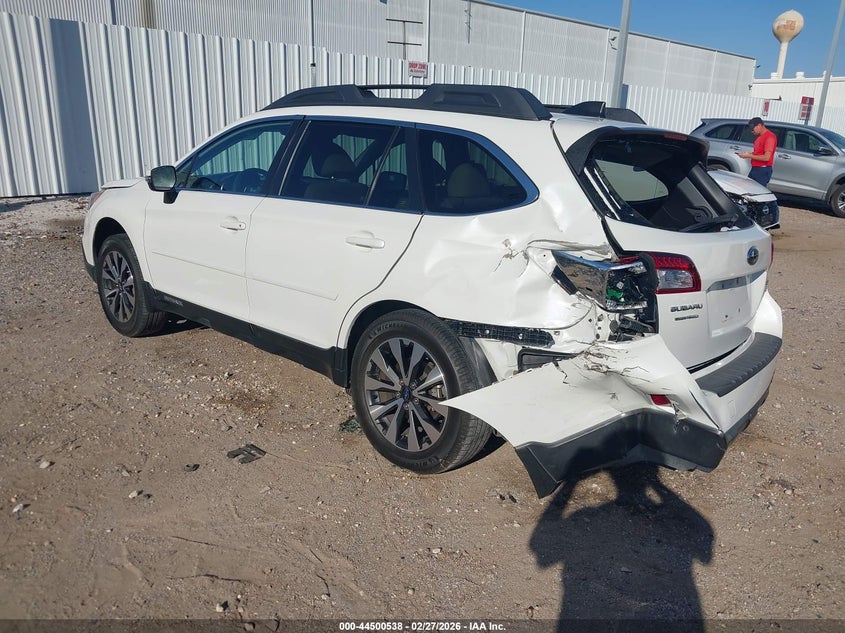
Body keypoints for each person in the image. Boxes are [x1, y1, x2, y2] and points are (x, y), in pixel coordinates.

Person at [737, 117, 777, 187]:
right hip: (755, 168)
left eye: (753, 129)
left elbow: (766, 157)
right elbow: (759, 153)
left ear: (759, 125)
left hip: (762, 170)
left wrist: (749, 156)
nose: (752, 131)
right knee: (748, 189)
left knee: (757, 192)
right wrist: (749, 154)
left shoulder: (769, 137)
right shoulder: (759, 137)